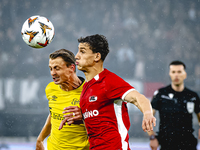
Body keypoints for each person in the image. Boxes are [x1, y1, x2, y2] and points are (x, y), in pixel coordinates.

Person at [59, 34, 156, 150]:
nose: (76, 56)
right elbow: (101, 118)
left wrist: (147, 113)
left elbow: (138, 98)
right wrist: (83, 117)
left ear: (97, 56)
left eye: (82, 51)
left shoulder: (109, 81)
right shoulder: (85, 88)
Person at [36, 49, 89, 150]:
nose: (52, 73)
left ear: (71, 68)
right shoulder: (50, 88)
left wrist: (84, 117)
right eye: (50, 68)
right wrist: (40, 138)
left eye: (57, 68)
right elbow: (53, 114)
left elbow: (101, 124)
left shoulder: (89, 92)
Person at [148, 60, 200, 150]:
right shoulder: (161, 94)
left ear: (185, 74)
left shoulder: (192, 96)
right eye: (173, 72)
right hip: (166, 144)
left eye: (179, 72)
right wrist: (152, 137)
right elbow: (147, 118)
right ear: (169, 74)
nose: (176, 75)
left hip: (188, 144)